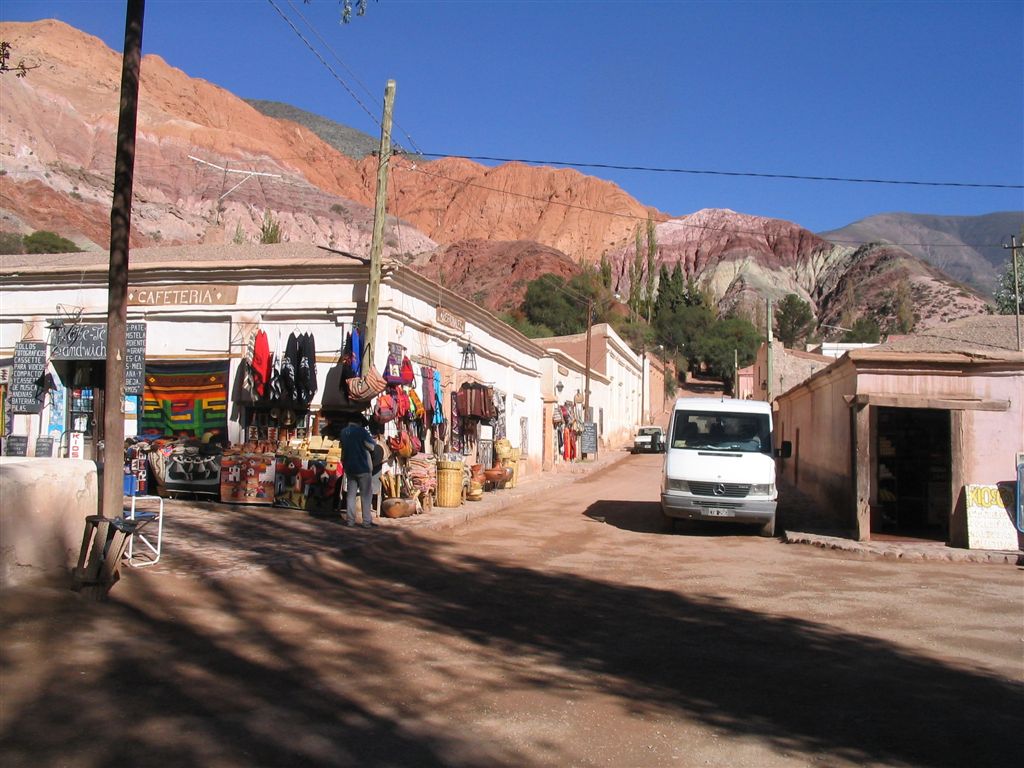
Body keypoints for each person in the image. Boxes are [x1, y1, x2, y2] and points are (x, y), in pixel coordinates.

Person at [340, 413, 376, 528]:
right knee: (366, 495)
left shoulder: (343, 432)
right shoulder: (362, 432)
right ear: (359, 422)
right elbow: (371, 446)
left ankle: (350, 521)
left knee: (350, 494)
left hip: (349, 466)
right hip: (363, 467)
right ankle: (366, 522)